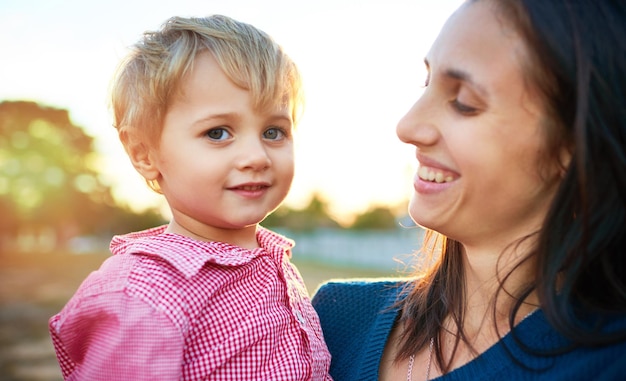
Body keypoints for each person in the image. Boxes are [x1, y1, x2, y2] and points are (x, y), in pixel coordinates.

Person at [312, 0, 626, 380]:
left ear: (573, 146)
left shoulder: (608, 364)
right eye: (426, 83)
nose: (408, 126)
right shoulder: (335, 318)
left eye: (464, 103)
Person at [49, 15, 332, 381]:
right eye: (217, 133)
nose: (257, 156)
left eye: (273, 131)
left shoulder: (273, 263)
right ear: (144, 153)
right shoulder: (143, 295)